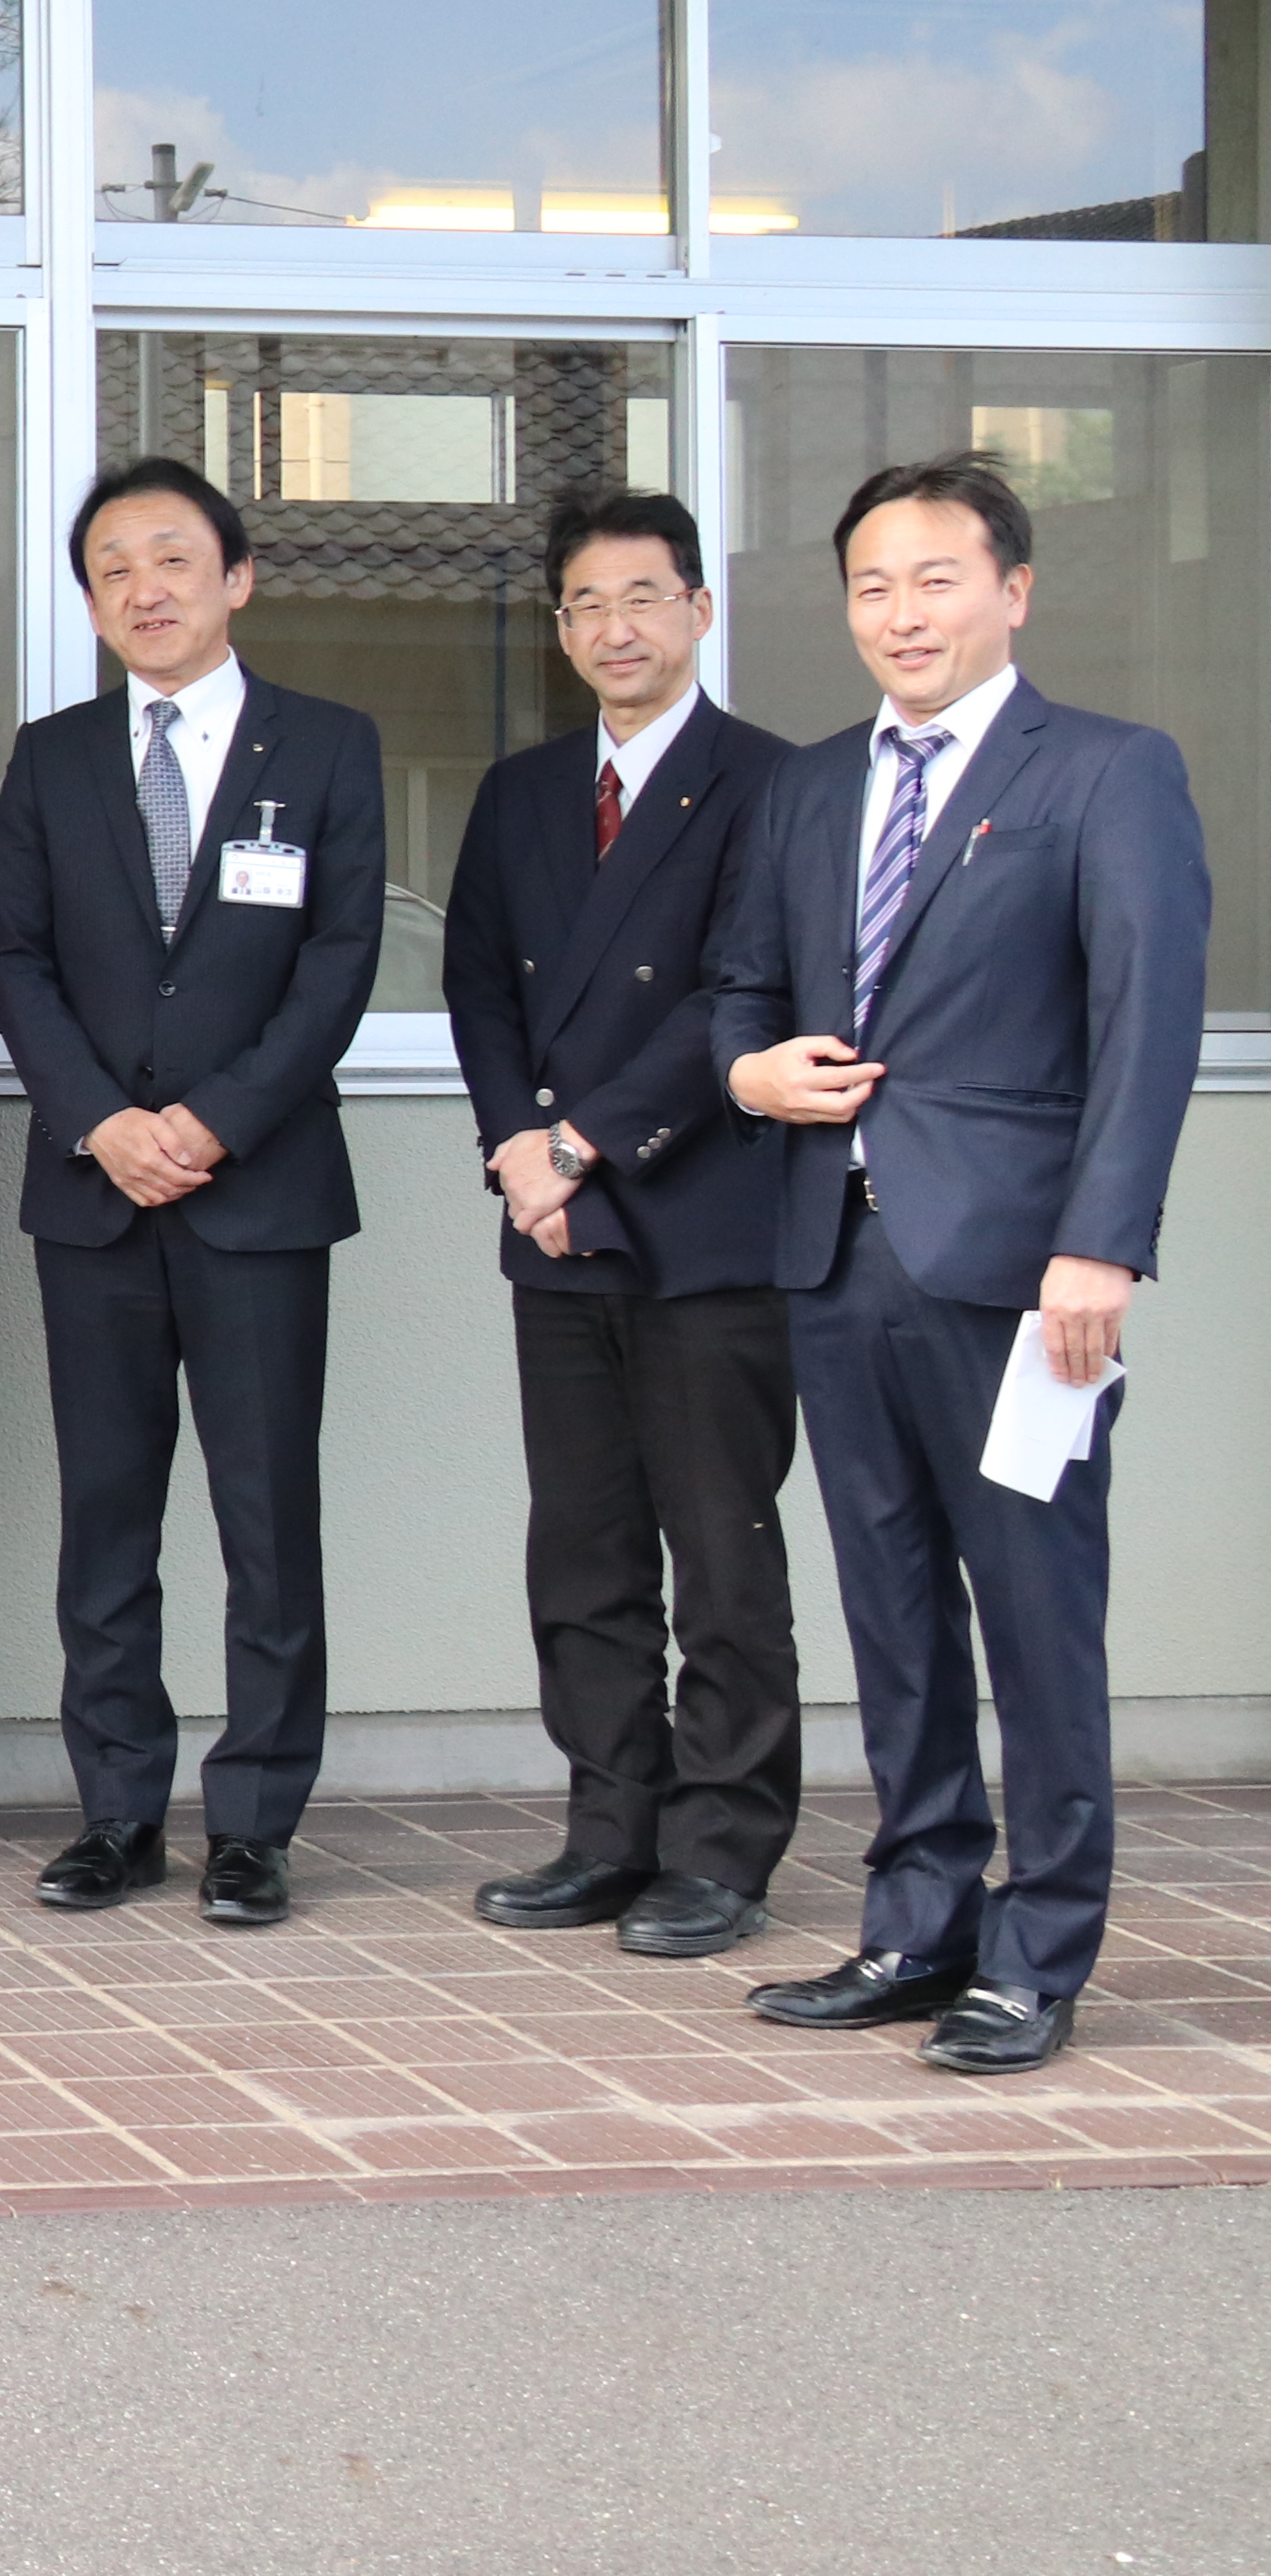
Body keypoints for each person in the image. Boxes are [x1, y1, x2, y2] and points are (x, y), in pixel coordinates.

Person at [712, 455, 1208, 2076]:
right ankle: (919, 1920)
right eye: (872, 583)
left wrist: (1100, 1248)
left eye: (936, 576)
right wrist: (751, 1075)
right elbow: (736, 989)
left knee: (1037, 1611)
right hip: (833, 1250)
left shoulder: (1107, 773)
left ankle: (1042, 1945)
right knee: (894, 1607)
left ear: (1014, 588)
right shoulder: (805, 788)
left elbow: (1147, 1029)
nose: (902, 611)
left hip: (1019, 1275)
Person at [0, 456, 384, 1928]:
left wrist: (207, 1123)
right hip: (94, 1201)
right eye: (110, 571)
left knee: (269, 1514)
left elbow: (338, 966)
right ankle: (120, 1811)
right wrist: (102, 1122)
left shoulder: (326, 748)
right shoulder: (55, 756)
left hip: (258, 1195)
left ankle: (259, 1819)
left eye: (169, 559)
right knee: (108, 1512)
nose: (142, 590)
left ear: (237, 577)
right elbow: (13, 958)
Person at [437, 488, 802, 1960]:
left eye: (642, 596)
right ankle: (611, 1826)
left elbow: (744, 993)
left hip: (706, 1219)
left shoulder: (771, 782)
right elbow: (477, 983)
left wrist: (586, 1137)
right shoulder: (523, 790)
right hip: (556, 1224)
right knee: (581, 1547)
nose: (614, 627)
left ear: (700, 611)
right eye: (585, 604)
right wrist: (519, 1150)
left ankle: (723, 1844)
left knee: (720, 1548)